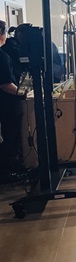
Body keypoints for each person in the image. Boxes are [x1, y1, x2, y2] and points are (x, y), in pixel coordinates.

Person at [0, 19, 23, 183]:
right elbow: (6, 84)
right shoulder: (2, 57)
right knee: (9, 138)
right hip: (6, 105)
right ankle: (6, 173)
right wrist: (22, 93)